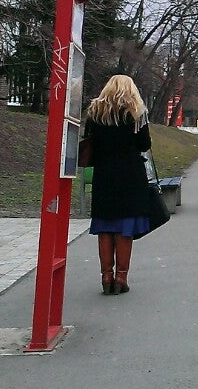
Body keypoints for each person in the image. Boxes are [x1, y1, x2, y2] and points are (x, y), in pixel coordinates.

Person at [83, 75, 152, 295]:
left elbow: (89, 141)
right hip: (130, 175)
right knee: (125, 227)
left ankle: (106, 276)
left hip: (104, 174)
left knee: (105, 225)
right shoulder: (136, 113)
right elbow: (144, 144)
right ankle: (121, 277)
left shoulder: (95, 112)